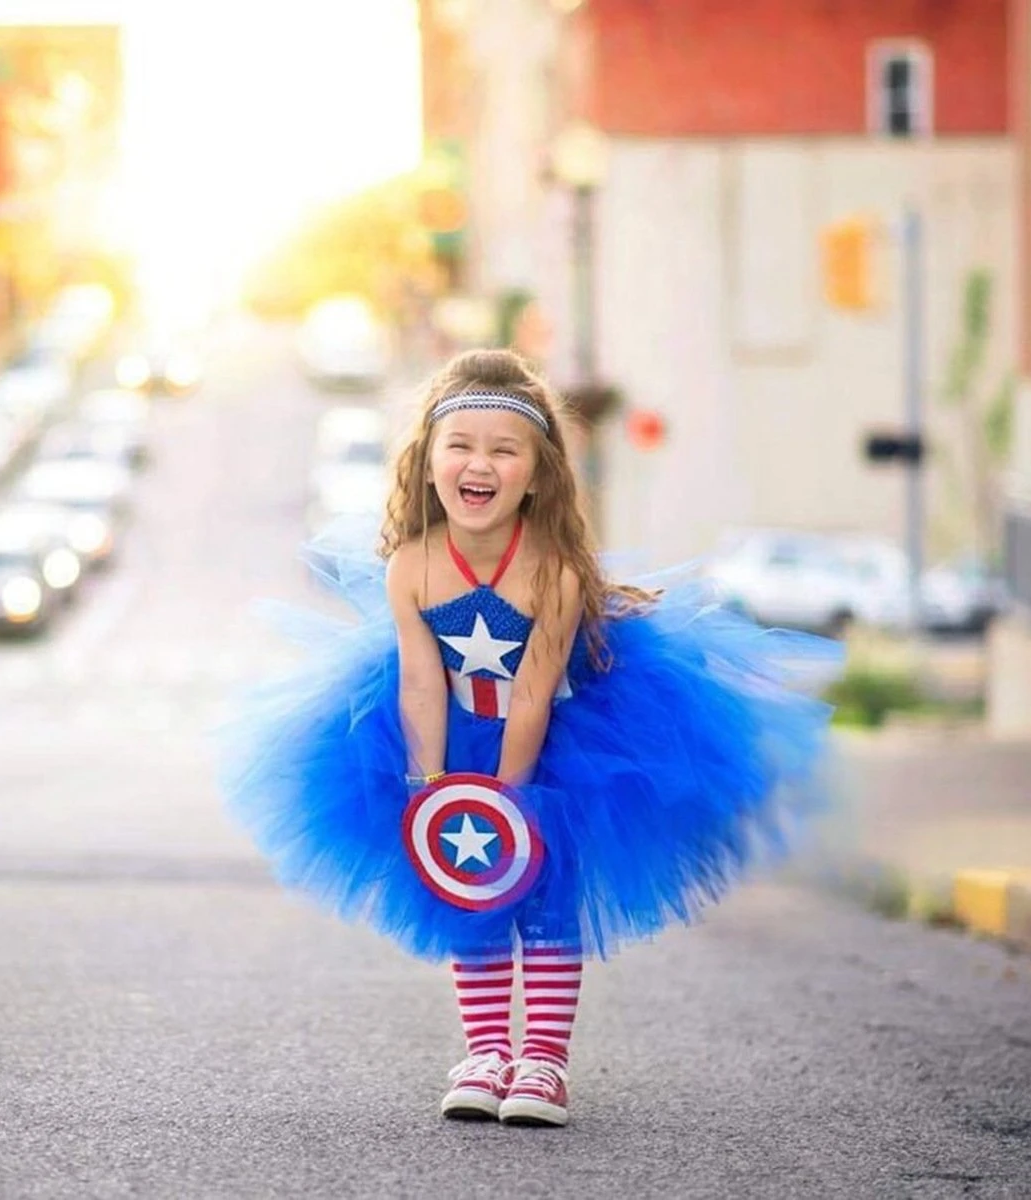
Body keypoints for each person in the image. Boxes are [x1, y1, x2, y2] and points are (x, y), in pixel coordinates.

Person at [220, 348, 839, 1129]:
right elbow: (419, 680)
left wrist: (509, 791)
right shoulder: (412, 564)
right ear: (427, 463)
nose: (480, 463)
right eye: (461, 446)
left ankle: (542, 1062)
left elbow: (538, 689)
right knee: (469, 887)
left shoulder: (552, 572)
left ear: (538, 474)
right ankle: (486, 1053)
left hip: (553, 749)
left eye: (504, 450)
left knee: (545, 898)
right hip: (447, 737)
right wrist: (431, 785)